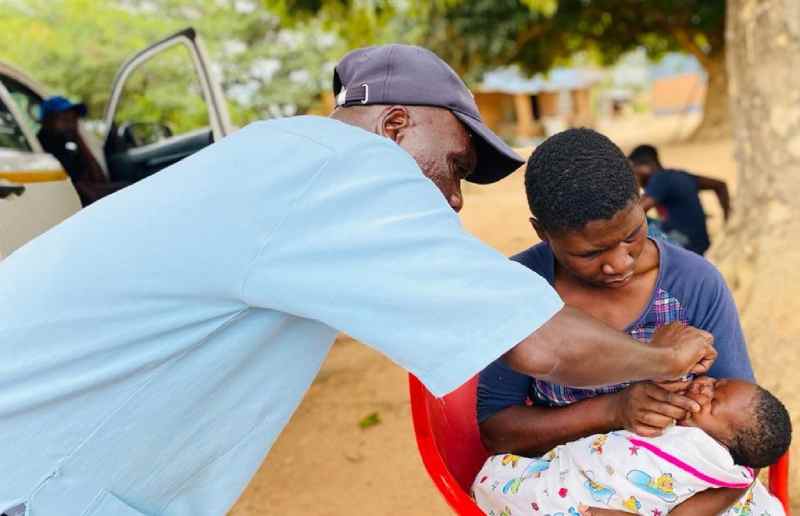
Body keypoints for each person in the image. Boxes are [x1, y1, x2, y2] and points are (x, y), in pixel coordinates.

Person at [0, 46, 715, 516]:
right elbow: (542, 345)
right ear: (396, 125)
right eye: (457, 165)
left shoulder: (278, 156)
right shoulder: (347, 168)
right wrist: (667, 357)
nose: (457, 198)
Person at [478, 129, 753, 515]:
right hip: (570, 485)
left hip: (683, 490)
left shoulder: (693, 283)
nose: (620, 264)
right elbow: (499, 431)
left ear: (642, 204)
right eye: (590, 253)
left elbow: (743, 431)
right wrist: (614, 409)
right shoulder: (521, 289)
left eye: (632, 236)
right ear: (542, 232)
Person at [473, 377, 791, 516]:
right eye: (717, 383)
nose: (704, 386)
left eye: (712, 402)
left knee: (512, 489)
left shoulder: (705, 455)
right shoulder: (733, 452)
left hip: (590, 497)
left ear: (722, 443)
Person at [628, 143, 730, 255]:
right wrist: (728, 220)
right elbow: (720, 185)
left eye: (634, 172)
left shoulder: (660, 179)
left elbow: (635, 213)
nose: (635, 178)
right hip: (700, 243)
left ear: (645, 168)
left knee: (632, 222)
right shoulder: (680, 175)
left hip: (684, 244)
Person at [36, 96, 127, 206]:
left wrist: (78, 138)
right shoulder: (43, 148)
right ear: (47, 121)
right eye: (65, 119)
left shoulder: (67, 148)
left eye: (74, 119)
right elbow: (78, 188)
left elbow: (99, 178)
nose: (71, 125)